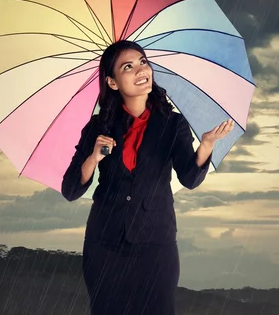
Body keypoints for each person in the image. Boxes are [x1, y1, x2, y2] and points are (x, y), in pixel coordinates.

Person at [61, 40, 233, 315]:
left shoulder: (172, 124)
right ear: (113, 82)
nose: (141, 69)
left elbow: (189, 178)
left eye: (143, 61)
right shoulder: (98, 127)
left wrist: (207, 145)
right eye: (127, 66)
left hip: (156, 244)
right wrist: (93, 158)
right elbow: (70, 190)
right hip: (104, 244)